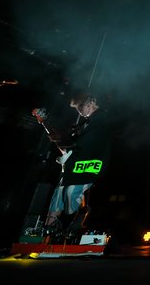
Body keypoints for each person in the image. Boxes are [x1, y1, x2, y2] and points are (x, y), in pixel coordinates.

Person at [44, 92, 112, 233]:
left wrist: (69, 148)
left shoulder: (101, 120)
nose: (79, 112)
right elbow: (74, 146)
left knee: (70, 197)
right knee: (59, 196)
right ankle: (48, 231)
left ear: (90, 103)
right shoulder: (88, 122)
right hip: (74, 170)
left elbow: (87, 145)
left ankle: (76, 223)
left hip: (84, 170)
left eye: (80, 108)